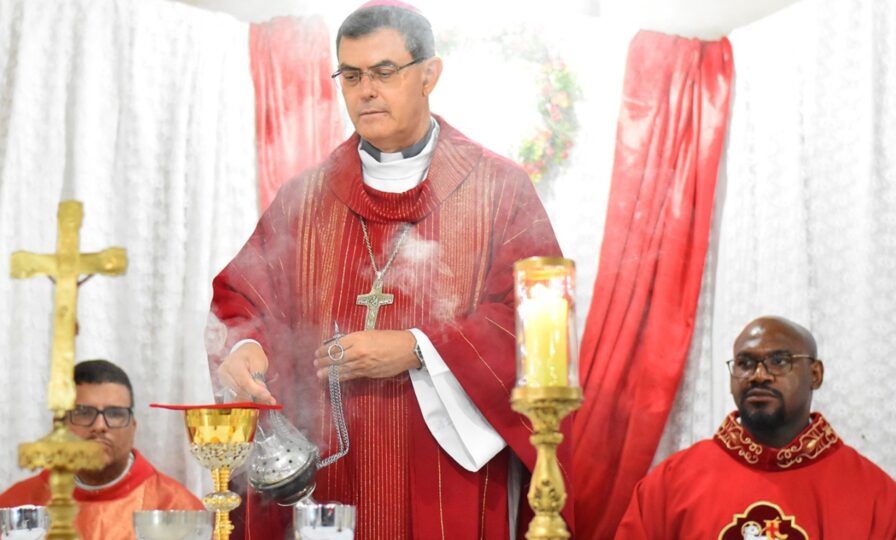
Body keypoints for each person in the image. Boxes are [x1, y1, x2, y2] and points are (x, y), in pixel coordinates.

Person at [208, 2, 568, 538]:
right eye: (351, 75)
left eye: (383, 72)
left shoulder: (498, 190)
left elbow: (537, 324)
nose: (366, 90)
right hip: (329, 469)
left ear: (429, 75)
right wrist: (244, 348)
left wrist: (419, 349)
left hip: (445, 476)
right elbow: (244, 299)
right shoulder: (305, 199)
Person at [615, 316, 896, 539]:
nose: (759, 375)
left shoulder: (876, 496)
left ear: (815, 375)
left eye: (779, 361)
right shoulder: (669, 484)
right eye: (745, 363)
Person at [0, 360, 204, 539]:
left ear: (133, 427)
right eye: (84, 412)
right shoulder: (8, 512)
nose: (99, 426)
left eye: (114, 414)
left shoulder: (177, 510)